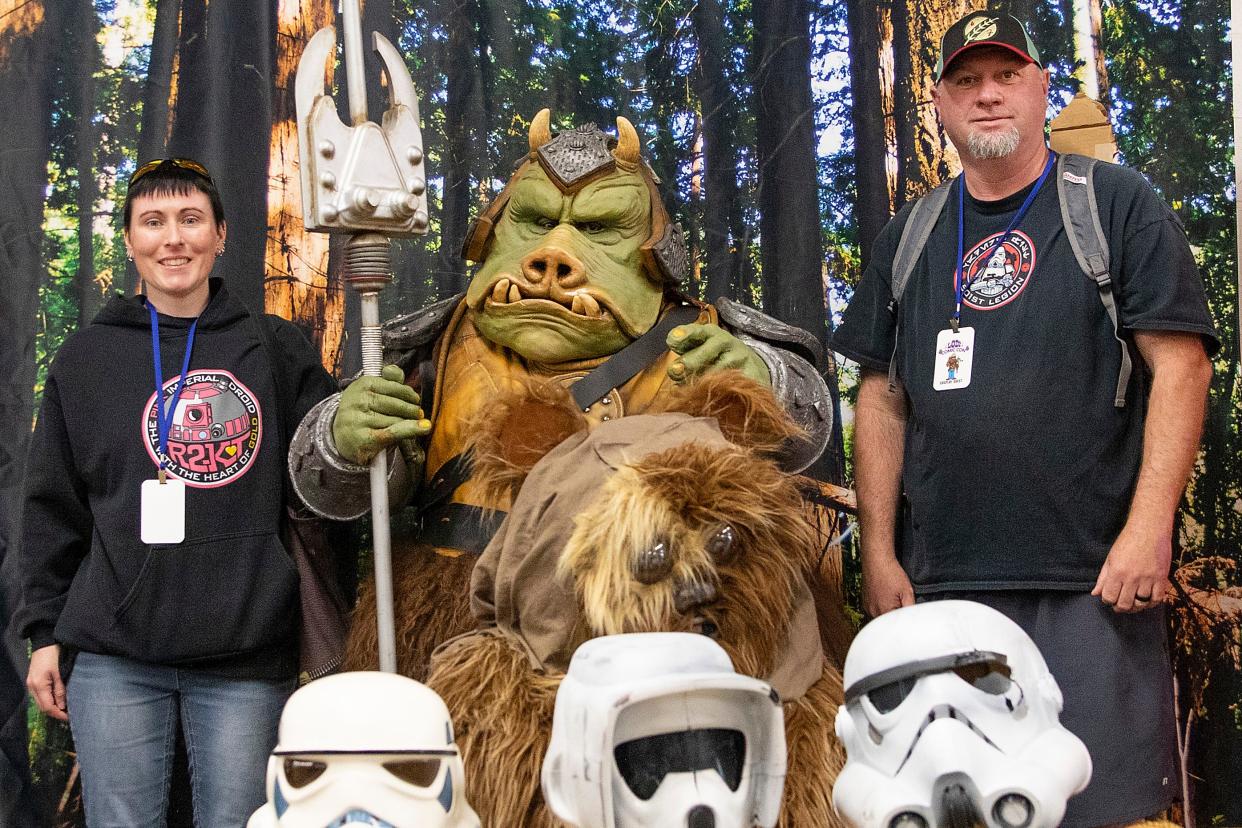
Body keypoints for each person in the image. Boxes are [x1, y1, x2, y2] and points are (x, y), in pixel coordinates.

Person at [831, 12, 1218, 827]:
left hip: (1090, 589)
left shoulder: (1113, 205)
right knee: (960, 809)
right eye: (967, 80)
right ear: (939, 102)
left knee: (1103, 809)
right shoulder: (913, 236)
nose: (988, 95)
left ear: (1042, 88)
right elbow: (881, 397)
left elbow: (1182, 367)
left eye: (1007, 75)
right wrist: (877, 551)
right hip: (944, 596)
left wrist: (1151, 526)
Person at [15, 158, 337, 827]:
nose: (173, 239)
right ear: (129, 241)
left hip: (245, 652)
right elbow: (53, 510)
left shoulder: (274, 349)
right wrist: (44, 634)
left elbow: (328, 470)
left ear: (220, 235)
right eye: (153, 222)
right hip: (114, 655)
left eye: (191, 220)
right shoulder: (86, 359)